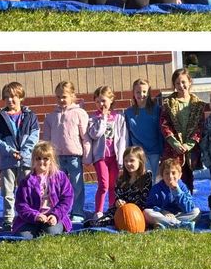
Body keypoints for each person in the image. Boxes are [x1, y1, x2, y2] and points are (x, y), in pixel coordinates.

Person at [0, 80, 40, 232]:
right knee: (7, 192)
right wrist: (10, 152)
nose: (10, 100)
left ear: (21, 97)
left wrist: (24, 153)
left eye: (13, 97)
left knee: (27, 190)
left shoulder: (30, 116)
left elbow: (34, 136)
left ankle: (27, 216)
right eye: (6, 97)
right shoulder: (0, 117)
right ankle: (8, 219)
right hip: (8, 162)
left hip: (25, 161)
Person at [42, 81, 90, 222]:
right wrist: (47, 157)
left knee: (77, 186)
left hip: (74, 157)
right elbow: (46, 140)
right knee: (56, 187)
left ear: (72, 96)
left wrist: (87, 155)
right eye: (58, 97)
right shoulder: (51, 117)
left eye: (64, 96)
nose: (61, 100)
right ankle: (57, 212)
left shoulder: (79, 113)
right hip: (57, 158)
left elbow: (85, 136)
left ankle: (78, 212)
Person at [14, 142, 74, 238]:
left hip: (53, 217)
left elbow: (67, 199)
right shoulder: (26, 181)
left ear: (51, 160)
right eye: (38, 158)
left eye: (45, 158)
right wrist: (35, 216)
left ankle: (47, 228)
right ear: (33, 160)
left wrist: (56, 215)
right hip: (31, 219)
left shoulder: (61, 177)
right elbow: (21, 205)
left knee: (51, 232)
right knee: (23, 236)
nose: (42, 162)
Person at [159, 68, 205, 191]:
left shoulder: (198, 105)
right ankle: (173, 204)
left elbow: (199, 126)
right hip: (173, 149)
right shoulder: (168, 103)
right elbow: (164, 125)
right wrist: (175, 143)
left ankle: (187, 203)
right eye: (177, 83)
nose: (181, 85)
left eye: (184, 82)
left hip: (190, 149)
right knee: (173, 177)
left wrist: (189, 144)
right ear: (174, 85)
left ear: (189, 82)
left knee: (189, 178)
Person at [87, 85, 128, 220]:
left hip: (114, 157)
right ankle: (98, 211)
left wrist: (121, 158)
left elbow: (123, 138)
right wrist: (103, 119)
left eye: (103, 100)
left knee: (113, 185)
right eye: (98, 101)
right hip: (101, 157)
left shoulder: (119, 117)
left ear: (111, 100)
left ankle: (111, 210)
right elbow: (95, 134)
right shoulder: (93, 119)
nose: (101, 104)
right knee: (103, 184)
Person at [143, 158, 199, 229]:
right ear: (162, 175)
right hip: (163, 215)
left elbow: (188, 208)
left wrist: (178, 191)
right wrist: (163, 211)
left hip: (179, 215)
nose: (170, 176)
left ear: (180, 175)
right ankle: (179, 225)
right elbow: (150, 206)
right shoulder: (157, 188)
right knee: (147, 212)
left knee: (196, 211)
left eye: (173, 173)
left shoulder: (183, 187)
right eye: (166, 173)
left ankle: (167, 225)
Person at [125, 78, 164, 180]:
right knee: (146, 179)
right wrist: (129, 152)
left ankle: (155, 196)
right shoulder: (128, 113)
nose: (141, 94)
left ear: (148, 92)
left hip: (155, 151)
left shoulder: (156, 110)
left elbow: (160, 132)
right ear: (133, 93)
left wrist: (162, 151)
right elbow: (128, 134)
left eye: (144, 92)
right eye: (138, 92)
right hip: (140, 153)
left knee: (156, 179)